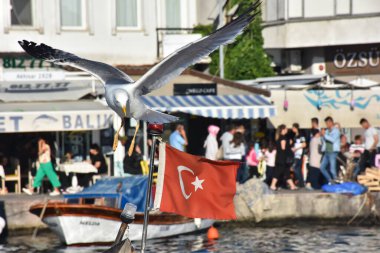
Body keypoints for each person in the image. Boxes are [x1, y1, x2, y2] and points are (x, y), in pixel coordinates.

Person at [270, 125, 297, 191]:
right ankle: (272, 185)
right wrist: (289, 145)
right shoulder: (283, 138)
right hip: (282, 158)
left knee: (286, 172)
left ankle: (292, 186)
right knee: (278, 172)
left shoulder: (280, 137)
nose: (287, 129)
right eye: (286, 129)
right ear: (283, 130)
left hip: (280, 158)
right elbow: (283, 148)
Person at [320, 117, 341, 183]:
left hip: (333, 152)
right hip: (326, 151)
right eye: (326, 123)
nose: (327, 124)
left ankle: (336, 182)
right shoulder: (326, 131)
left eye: (328, 123)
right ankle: (331, 181)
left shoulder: (336, 131)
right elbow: (323, 141)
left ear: (331, 122)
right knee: (322, 168)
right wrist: (322, 136)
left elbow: (332, 140)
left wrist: (325, 135)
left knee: (332, 169)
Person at [291, 123, 306, 187]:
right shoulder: (295, 136)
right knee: (297, 168)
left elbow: (304, 144)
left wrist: (297, 148)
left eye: (293, 128)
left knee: (296, 168)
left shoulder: (301, 136)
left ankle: (301, 182)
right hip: (296, 154)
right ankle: (300, 182)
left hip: (299, 154)